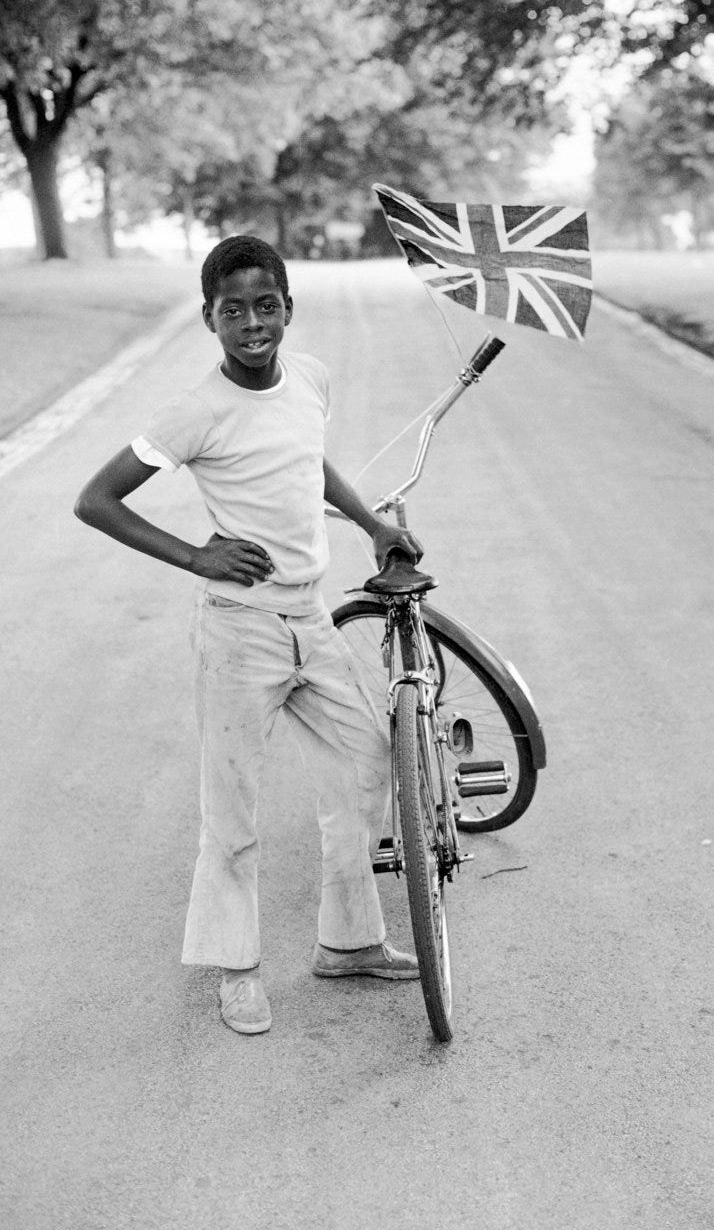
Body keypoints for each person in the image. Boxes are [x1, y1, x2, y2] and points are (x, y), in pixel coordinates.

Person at [74, 234, 424, 1036]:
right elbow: (96, 500)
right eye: (233, 310)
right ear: (210, 319)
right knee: (232, 805)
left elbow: (309, 459)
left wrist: (372, 524)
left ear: (288, 309)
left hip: (311, 615)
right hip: (241, 631)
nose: (253, 322)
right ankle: (236, 969)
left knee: (369, 758)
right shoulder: (195, 412)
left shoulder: (310, 379)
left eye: (266, 305)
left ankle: (349, 942)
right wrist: (197, 555)